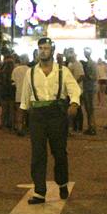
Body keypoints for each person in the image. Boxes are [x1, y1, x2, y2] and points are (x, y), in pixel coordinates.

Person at [19, 37, 81, 204]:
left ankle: (62, 182)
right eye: (41, 48)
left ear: (52, 51)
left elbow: (74, 90)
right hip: (37, 115)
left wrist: (74, 104)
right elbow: (25, 99)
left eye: (46, 48)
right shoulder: (30, 72)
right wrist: (22, 119)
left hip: (57, 114)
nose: (43, 51)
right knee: (38, 154)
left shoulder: (63, 71)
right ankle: (39, 191)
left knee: (59, 152)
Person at [79, 48, 99, 135]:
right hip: (89, 88)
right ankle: (91, 127)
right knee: (88, 109)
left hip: (90, 88)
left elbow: (93, 77)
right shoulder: (90, 63)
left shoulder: (92, 63)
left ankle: (92, 128)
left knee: (90, 109)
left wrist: (85, 75)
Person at [10, 55, 31, 136]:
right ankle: (26, 128)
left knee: (19, 112)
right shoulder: (30, 70)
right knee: (27, 113)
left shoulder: (16, 70)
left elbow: (13, 82)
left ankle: (19, 128)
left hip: (18, 94)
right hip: (28, 94)